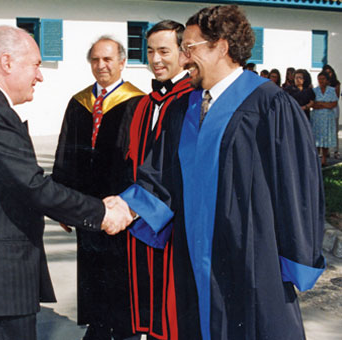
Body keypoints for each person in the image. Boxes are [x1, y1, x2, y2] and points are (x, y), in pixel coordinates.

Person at [113, 5, 325, 340]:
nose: (183, 59)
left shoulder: (269, 105)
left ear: (222, 47)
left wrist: (296, 258)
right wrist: (126, 207)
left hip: (252, 260)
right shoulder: (184, 108)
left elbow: (298, 187)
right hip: (193, 259)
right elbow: (162, 177)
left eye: (190, 48)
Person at [0, 26, 132, 340]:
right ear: (7, 63)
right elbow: (33, 187)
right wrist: (101, 212)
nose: (40, 76)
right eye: (36, 64)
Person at [52, 36, 144, 340]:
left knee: (123, 273)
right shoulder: (79, 102)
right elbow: (65, 153)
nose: (101, 65)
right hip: (86, 206)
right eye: (95, 59)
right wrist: (61, 202)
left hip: (123, 209)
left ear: (122, 62)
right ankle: (99, 326)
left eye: (107, 59)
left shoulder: (138, 102)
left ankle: (127, 330)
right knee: (92, 268)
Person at [123, 20, 194, 340]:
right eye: (150, 51)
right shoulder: (143, 104)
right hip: (144, 216)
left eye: (164, 51)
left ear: (184, 53)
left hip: (178, 218)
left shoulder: (193, 100)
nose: (156, 59)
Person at [311, 71, 338, 166]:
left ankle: (324, 158)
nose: (320, 81)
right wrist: (326, 104)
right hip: (317, 117)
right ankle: (316, 157)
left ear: (326, 80)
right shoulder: (315, 90)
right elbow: (313, 104)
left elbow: (333, 104)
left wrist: (321, 103)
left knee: (325, 138)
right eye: (319, 79)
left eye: (323, 79)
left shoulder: (331, 90)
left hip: (327, 117)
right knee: (316, 137)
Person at [322, 64, 341, 158]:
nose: (329, 74)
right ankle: (326, 151)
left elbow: (336, 97)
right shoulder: (322, 83)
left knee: (334, 130)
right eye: (326, 72)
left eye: (330, 72)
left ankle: (336, 151)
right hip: (324, 108)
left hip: (333, 108)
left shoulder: (336, 83)